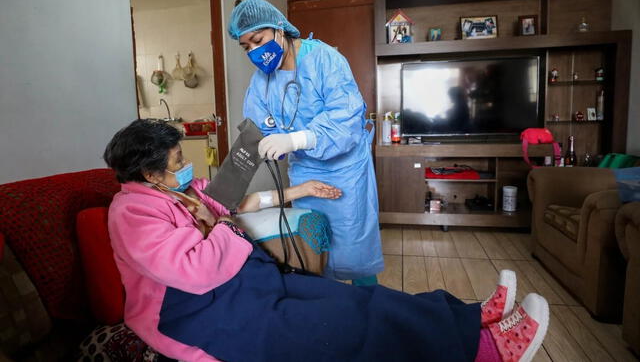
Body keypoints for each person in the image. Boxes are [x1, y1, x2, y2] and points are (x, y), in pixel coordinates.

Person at [105, 119, 549, 362]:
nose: (187, 167)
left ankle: (470, 320)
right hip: (200, 314)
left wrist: (301, 191)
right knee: (342, 325)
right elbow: (194, 270)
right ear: (149, 173)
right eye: (178, 160)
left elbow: (236, 202)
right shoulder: (132, 212)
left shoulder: (181, 192)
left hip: (244, 286)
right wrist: (222, 226)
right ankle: (485, 353)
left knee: (354, 301)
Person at [228, 0, 383, 285]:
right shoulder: (261, 80)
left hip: (345, 171)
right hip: (305, 172)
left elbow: (345, 119)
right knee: (313, 243)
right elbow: (254, 132)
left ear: (279, 28)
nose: (254, 51)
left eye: (258, 40)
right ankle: (327, 311)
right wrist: (224, 195)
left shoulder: (325, 60)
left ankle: (368, 305)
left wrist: (296, 139)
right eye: (246, 46)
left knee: (353, 249)